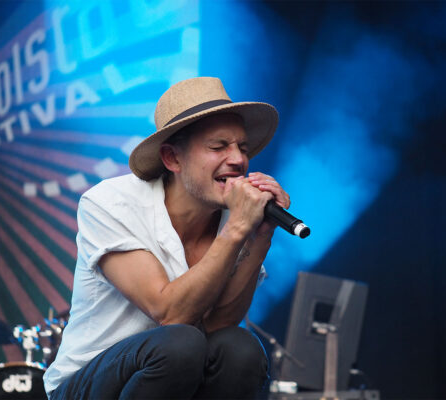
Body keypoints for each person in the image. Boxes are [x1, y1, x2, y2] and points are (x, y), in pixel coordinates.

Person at [42, 77, 290, 399]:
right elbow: (169, 314)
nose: (238, 160)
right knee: (179, 342)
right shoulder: (110, 202)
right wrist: (237, 230)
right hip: (87, 387)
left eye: (242, 148)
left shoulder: (236, 219)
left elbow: (219, 326)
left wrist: (259, 239)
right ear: (172, 158)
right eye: (218, 147)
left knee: (241, 347)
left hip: (178, 382)